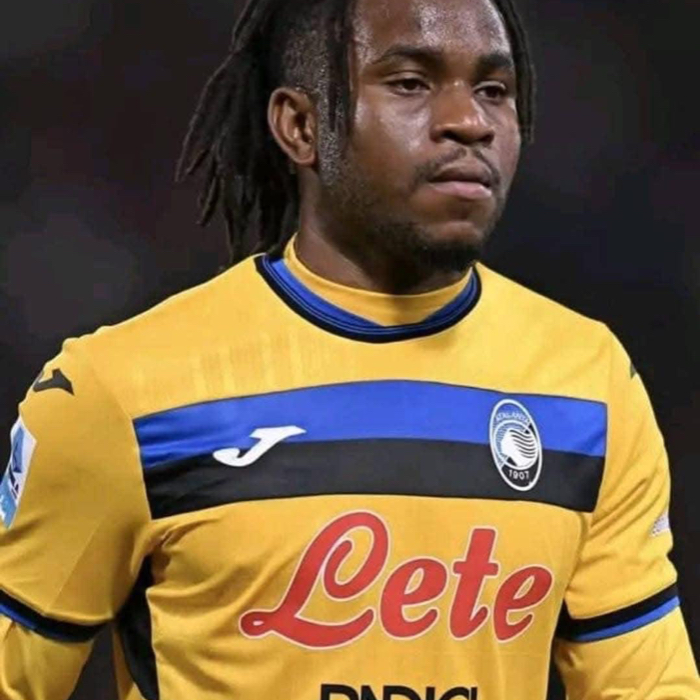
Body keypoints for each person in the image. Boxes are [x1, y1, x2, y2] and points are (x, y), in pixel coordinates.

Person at [0, 0, 698, 697]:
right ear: (301, 127)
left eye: (493, 89)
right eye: (410, 82)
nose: (469, 120)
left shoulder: (586, 385)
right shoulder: (123, 392)